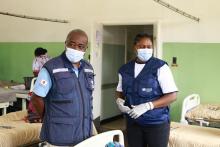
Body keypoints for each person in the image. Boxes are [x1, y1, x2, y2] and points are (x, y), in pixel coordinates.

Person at [31, 29, 95, 147]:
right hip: (59, 136)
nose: (75, 49)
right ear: (65, 43)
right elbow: (36, 98)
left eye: (80, 46)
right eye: (72, 44)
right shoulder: (52, 67)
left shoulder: (88, 68)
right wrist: (47, 117)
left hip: (84, 135)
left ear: (85, 49)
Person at [115, 33, 178, 147]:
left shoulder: (160, 67)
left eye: (149, 46)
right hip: (133, 122)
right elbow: (119, 90)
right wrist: (119, 101)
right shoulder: (124, 69)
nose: (146, 49)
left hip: (156, 122)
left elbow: (172, 95)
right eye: (142, 46)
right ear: (135, 47)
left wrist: (148, 106)